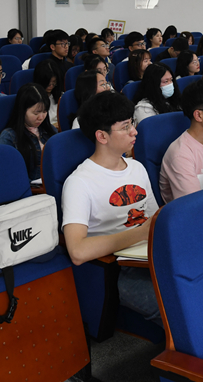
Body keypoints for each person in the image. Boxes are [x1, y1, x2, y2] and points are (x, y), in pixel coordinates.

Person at [61, 91, 160, 323]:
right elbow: (77, 251)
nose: (134, 131)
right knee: (184, 303)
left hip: (153, 254)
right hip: (121, 269)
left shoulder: (137, 168)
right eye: (125, 127)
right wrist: (140, 234)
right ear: (102, 136)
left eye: (132, 123)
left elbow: (154, 217)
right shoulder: (80, 182)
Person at [0, 82, 57, 181]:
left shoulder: (50, 130)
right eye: (36, 113)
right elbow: (4, 171)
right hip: (30, 187)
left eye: (44, 111)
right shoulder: (9, 136)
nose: (41, 117)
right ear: (22, 111)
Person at [33, 59, 62, 128]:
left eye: (54, 82)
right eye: (48, 83)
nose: (51, 86)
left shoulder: (61, 96)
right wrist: (51, 127)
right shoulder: (34, 99)